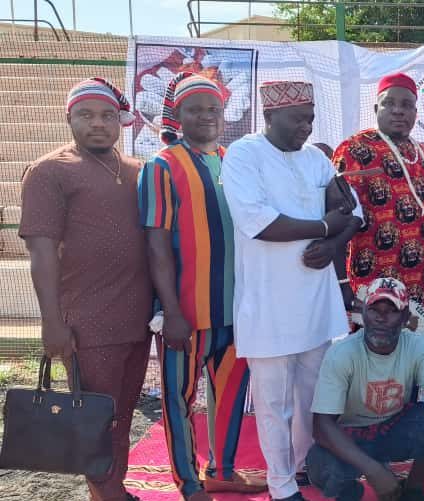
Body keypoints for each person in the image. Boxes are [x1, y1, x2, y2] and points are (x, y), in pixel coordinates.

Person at [222, 81, 362, 501]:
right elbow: (261, 223)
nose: (306, 126)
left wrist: (334, 245)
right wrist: (323, 229)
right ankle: (281, 485)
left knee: (311, 399)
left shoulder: (316, 161)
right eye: (297, 118)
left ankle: (302, 466)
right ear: (269, 116)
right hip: (268, 305)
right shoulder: (245, 155)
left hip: (316, 304)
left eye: (310, 118)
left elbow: (350, 211)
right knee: (273, 403)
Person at [19, 78, 153, 501]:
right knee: (94, 415)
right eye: (86, 115)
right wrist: (51, 323)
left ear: (120, 121)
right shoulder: (49, 171)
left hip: (137, 320)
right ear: (69, 118)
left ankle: (112, 488)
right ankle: (107, 494)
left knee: (122, 413)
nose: (98, 124)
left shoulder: (138, 170)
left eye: (107, 116)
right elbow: (41, 253)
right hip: (85, 323)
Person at [138, 72, 264, 501]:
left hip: (238, 310)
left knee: (231, 393)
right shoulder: (162, 165)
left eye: (213, 109)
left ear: (224, 114)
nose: (206, 117)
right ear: (178, 114)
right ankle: (189, 483)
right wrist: (170, 310)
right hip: (188, 312)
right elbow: (156, 244)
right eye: (195, 109)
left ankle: (222, 470)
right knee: (179, 400)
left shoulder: (237, 160)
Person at [307, 278, 424, 501]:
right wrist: (374, 470)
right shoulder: (341, 354)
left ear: (406, 318)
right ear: (363, 314)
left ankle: (413, 488)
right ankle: (348, 491)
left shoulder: (418, 346)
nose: (381, 318)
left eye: (391, 310)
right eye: (374, 309)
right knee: (319, 464)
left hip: (393, 427)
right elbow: (321, 427)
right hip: (352, 434)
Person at [333, 73, 424, 310]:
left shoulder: (421, 154)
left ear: (416, 113)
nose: (398, 111)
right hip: (371, 286)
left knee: (415, 346)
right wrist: (342, 282)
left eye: (407, 105)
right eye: (389, 103)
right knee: (372, 346)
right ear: (375, 108)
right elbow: (338, 220)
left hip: (419, 288)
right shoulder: (355, 149)